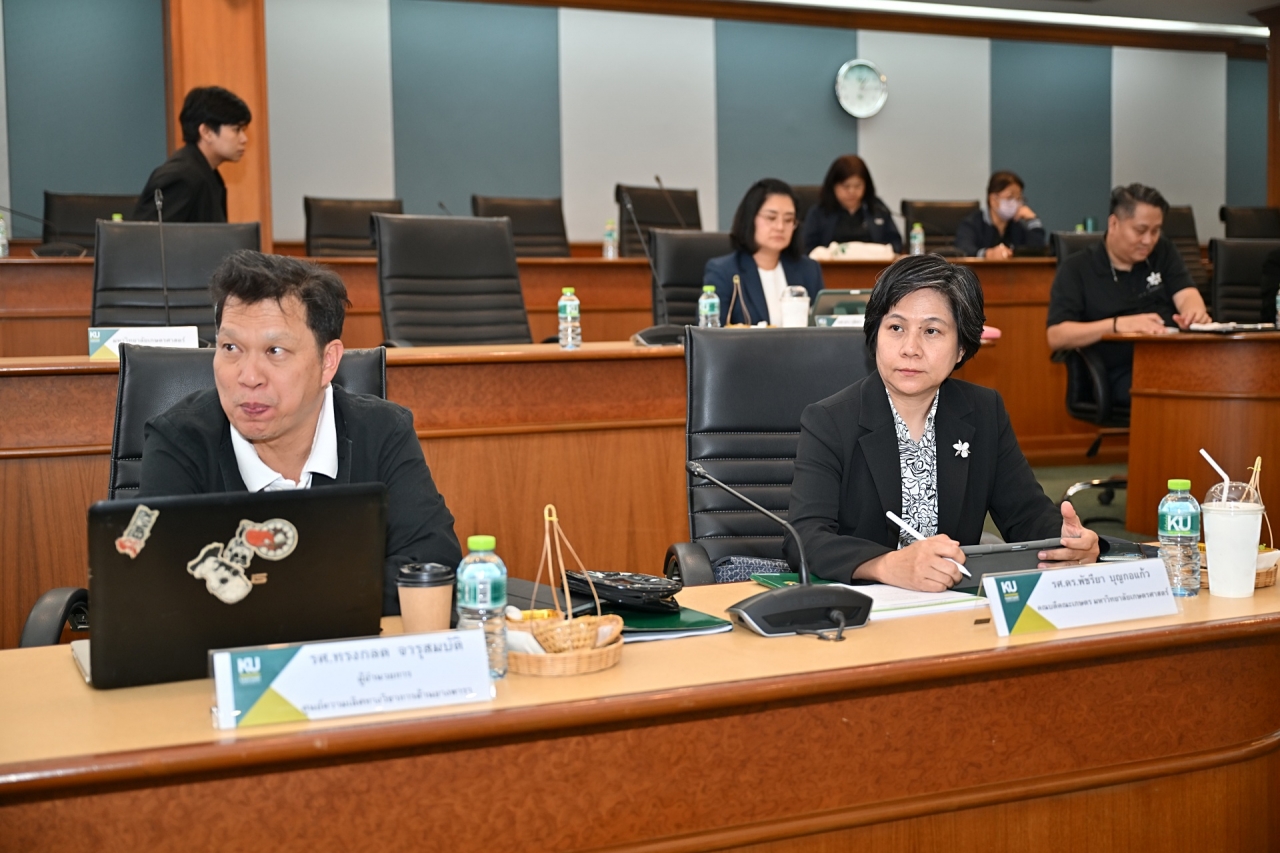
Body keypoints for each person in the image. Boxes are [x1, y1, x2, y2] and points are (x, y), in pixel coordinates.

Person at [139, 250, 462, 614]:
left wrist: (269, 591)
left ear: (328, 361)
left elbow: (435, 566)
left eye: (275, 350)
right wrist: (332, 587)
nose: (248, 376)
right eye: (231, 348)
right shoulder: (179, 441)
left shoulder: (382, 432)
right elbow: (153, 587)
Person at [784, 254, 1100, 590]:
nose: (910, 348)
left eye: (932, 331)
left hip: (951, 601)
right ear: (875, 334)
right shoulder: (830, 420)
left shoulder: (983, 411)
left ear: (961, 347)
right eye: (896, 328)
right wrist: (884, 565)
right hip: (864, 605)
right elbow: (804, 537)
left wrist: (1069, 542)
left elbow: (1026, 514)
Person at [1046, 184, 1211, 407]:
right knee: (1183, 388)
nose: (1149, 240)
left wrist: (1194, 313)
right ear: (1114, 223)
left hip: (1175, 359)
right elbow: (1056, 336)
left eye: (1156, 231)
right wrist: (1116, 325)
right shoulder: (1077, 268)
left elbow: (1187, 294)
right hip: (1120, 372)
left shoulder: (1163, 251)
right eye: (1140, 231)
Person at [704, 179, 824, 326]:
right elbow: (709, 333)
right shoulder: (724, 272)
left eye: (788, 220)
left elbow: (822, 327)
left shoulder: (809, 270)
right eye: (771, 218)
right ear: (750, 219)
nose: (780, 227)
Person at [132, 86, 251, 223]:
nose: (244, 139)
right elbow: (151, 234)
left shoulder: (208, 174)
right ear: (206, 132)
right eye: (237, 130)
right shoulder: (181, 176)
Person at [801, 155, 902, 254]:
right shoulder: (819, 213)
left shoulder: (877, 209)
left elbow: (896, 244)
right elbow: (807, 249)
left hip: (873, 264)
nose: (852, 191)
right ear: (833, 186)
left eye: (858, 186)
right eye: (846, 186)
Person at [954, 170, 1047, 259]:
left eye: (1019, 198)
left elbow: (1037, 252)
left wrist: (1033, 220)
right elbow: (963, 249)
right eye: (1010, 197)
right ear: (993, 200)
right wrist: (987, 254)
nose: (1016, 203)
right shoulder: (972, 224)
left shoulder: (1016, 227)